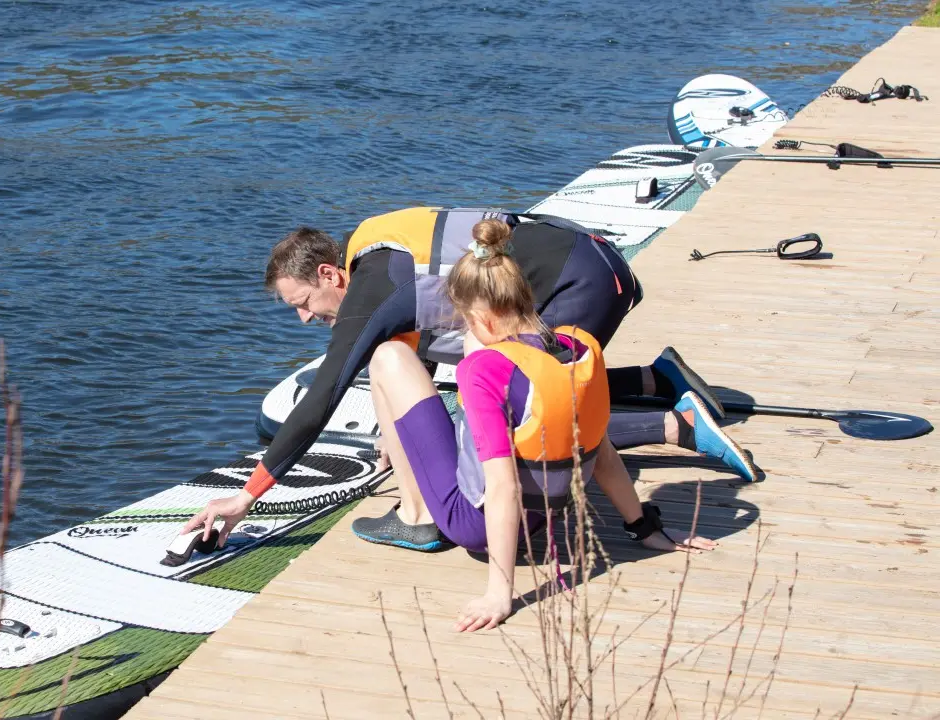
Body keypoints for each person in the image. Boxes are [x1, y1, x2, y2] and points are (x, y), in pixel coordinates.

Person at [181, 207, 754, 548]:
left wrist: (248, 497)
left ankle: (673, 424)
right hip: (589, 261)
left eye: (302, 302)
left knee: (541, 409)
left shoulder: (374, 280)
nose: (306, 318)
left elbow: (327, 391)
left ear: (330, 273)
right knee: (537, 388)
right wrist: (396, 431)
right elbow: (414, 338)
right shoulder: (379, 247)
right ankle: (658, 380)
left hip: (576, 285)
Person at [356, 218, 717, 631]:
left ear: (484, 318)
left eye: (467, 321)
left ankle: (416, 515)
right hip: (545, 515)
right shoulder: (580, 349)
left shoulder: (482, 372)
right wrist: (644, 528)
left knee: (388, 356)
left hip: (473, 525)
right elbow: (600, 452)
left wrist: (500, 592)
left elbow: (503, 485)